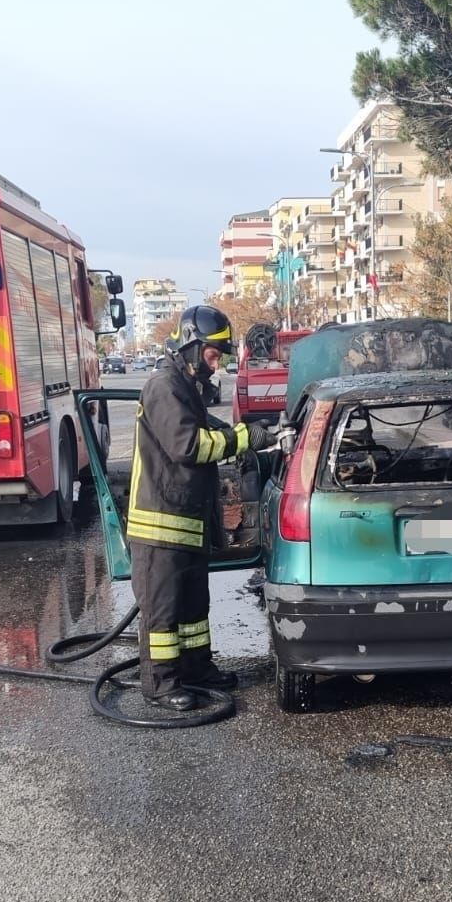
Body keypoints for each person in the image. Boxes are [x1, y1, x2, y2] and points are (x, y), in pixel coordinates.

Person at [128, 305, 274, 711]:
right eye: (212, 355)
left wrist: (246, 433)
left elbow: (208, 429)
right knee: (165, 613)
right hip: (160, 525)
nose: (216, 364)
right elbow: (188, 446)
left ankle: (197, 670)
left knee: (193, 608)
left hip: (185, 523)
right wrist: (244, 439)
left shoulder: (185, 386)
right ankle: (160, 683)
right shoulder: (164, 386)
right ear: (192, 346)